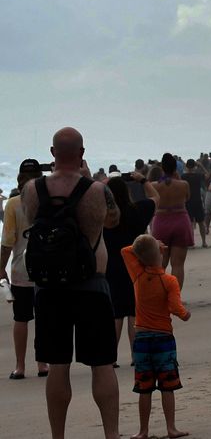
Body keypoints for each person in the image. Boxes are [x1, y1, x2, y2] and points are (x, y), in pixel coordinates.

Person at [21, 128, 121, 439]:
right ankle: (111, 434)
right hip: (92, 283)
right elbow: (113, 221)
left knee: (58, 364)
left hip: (49, 287)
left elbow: (31, 223)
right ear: (81, 153)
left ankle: (58, 436)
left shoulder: (31, 190)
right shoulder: (96, 191)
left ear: (52, 153)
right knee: (102, 364)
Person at [122, 235, 190, 439]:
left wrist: (149, 247)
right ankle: (171, 428)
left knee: (144, 387)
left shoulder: (138, 275)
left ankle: (143, 430)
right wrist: (185, 315)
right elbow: (175, 307)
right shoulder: (169, 281)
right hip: (163, 338)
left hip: (141, 339)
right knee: (167, 385)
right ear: (161, 253)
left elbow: (125, 251)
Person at [103, 176, 157, 368]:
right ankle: (136, 355)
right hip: (135, 265)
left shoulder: (104, 216)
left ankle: (111, 356)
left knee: (116, 314)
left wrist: (100, 186)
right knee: (134, 312)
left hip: (110, 266)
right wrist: (143, 181)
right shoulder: (137, 210)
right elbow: (155, 197)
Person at [1, 159, 48, 379]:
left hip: (20, 270)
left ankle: (20, 366)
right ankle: (42, 363)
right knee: (44, 318)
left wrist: (1, 268)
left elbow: (8, 242)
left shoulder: (13, 204)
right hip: (48, 270)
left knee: (21, 318)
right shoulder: (48, 201)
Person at [143, 153, 193, 289]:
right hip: (180, 219)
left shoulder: (154, 185)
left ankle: (161, 294)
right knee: (178, 265)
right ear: (175, 168)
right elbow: (187, 198)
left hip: (161, 220)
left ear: (162, 168)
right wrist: (177, 178)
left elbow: (150, 198)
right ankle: (176, 296)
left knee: (160, 263)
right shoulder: (183, 184)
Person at [181, 160, 207, 248]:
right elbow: (207, 175)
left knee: (190, 223)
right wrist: (201, 166)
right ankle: (204, 242)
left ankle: (192, 243)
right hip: (198, 200)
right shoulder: (198, 176)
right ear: (194, 166)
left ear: (187, 167)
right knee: (201, 223)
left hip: (188, 201)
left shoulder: (183, 176)